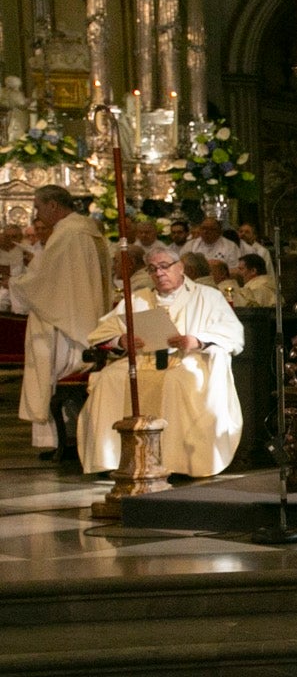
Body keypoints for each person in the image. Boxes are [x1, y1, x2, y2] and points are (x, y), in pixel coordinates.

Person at [78, 247, 245, 478]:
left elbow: (234, 334)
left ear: (180, 267)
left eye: (165, 266)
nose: (159, 273)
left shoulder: (207, 296)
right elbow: (102, 333)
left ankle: (176, 461)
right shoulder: (137, 298)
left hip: (187, 360)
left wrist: (196, 340)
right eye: (153, 269)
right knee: (110, 378)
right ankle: (113, 459)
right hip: (143, 359)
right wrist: (121, 340)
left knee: (176, 380)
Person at [8, 186, 114, 454]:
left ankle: (64, 440)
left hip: (65, 323)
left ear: (53, 205)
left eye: (38, 206)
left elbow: (45, 282)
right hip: (81, 315)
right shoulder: (87, 229)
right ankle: (67, 439)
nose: (37, 213)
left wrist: (15, 283)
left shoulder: (68, 233)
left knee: (52, 377)